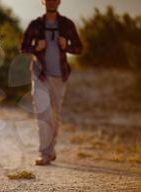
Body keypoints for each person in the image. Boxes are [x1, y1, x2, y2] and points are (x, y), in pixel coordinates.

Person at [21, 0, 83, 165]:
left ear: (59, 2)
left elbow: (79, 48)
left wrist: (67, 45)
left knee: (54, 115)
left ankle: (51, 149)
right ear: (43, 1)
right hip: (40, 75)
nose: (52, 2)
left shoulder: (67, 24)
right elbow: (24, 48)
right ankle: (44, 153)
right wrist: (36, 48)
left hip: (60, 76)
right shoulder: (35, 24)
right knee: (43, 113)